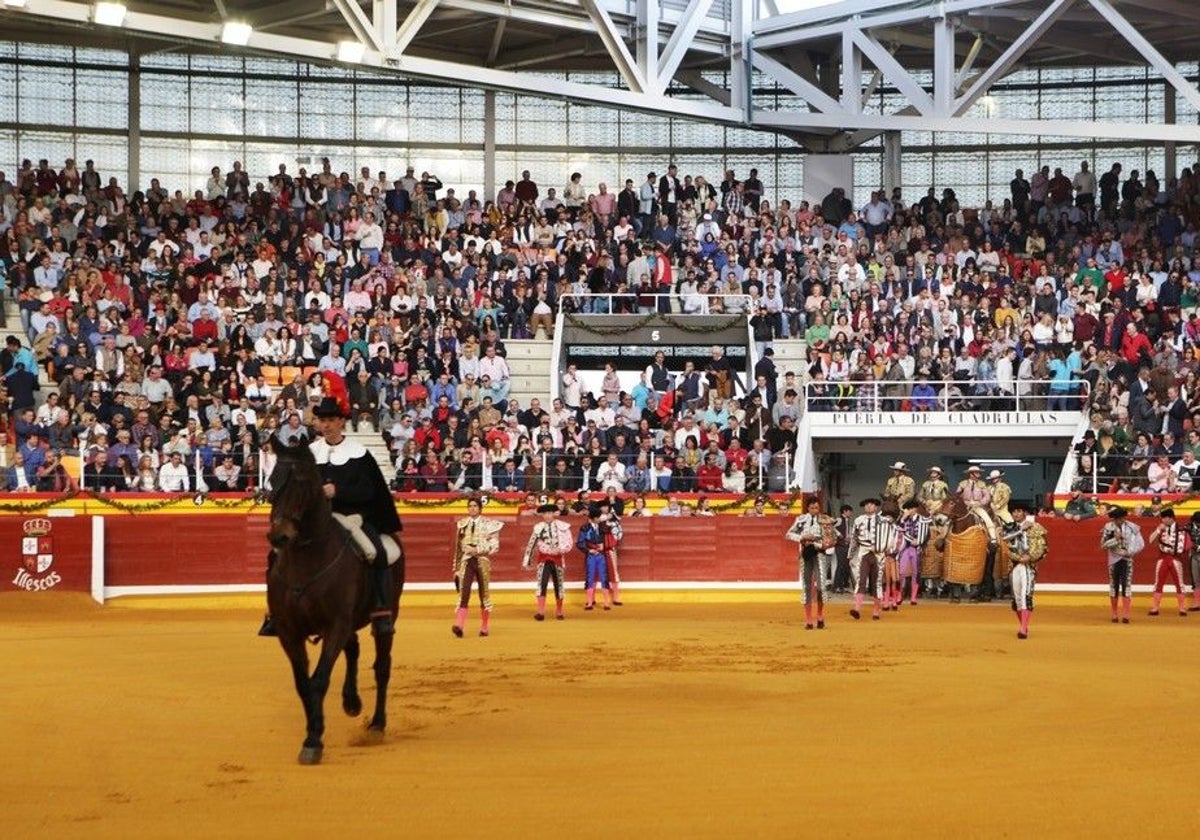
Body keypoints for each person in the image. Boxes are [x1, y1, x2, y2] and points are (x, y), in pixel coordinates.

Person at [453, 495, 504, 637]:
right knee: (464, 593)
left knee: (484, 594)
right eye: (470, 506)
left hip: (482, 560)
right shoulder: (462, 524)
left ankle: (484, 627)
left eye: (475, 506)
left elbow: (495, 546)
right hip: (466, 561)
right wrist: (456, 569)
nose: (472, 508)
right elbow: (457, 549)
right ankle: (459, 626)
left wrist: (477, 550)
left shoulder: (490, 524)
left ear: (480, 508)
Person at [521, 503, 574, 621]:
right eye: (545, 513)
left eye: (549, 513)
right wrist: (527, 561)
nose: (547, 516)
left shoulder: (563, 526)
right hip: (544, 559)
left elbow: (569, 542)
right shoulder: (538, 527)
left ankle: (559, 611)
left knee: (559, 585)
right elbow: (532, 544)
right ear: (542, 515)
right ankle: (541, 612)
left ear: (554, 514)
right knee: (542, 583)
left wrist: (560, 549)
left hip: (558, 558)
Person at [1003, 502, 1048, 639]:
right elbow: (1006, 545)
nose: (1016, 514)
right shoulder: (1009, 528)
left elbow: (1043, 548)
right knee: (1017, 598)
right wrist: (1018, 557)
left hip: (1029, 566)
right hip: (1015, 565)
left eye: (1019, 511)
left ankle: (1023, 629)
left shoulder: (1036, 528)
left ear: (1025, 513)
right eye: (1014, 511)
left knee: (1025, 595)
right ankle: (1024, 625)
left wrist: (1030, 557)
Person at [785, 497, 830, 630]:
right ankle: (809, 620)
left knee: (821, 587)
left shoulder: (825, 520)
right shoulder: (801, 519)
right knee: (807, 587)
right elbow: (788, 534)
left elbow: (832, 537)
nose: (814, 510)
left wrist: (822, 543)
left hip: (819, 554)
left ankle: (820, 616)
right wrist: (802, 537)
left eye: (816, 508)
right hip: (805, 555)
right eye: (812, 508)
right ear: (808, 508)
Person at [1100, 507, 1143, 624]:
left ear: (1124, 517)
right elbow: (1103, 545)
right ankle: (1114, 614)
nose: (1119, 521)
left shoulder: (1132, 527)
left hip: (1127, 559)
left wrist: (1130, 552)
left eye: (1121, 518)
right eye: (1116, 519)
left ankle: (1126, 614)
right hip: (1113, 560)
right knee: (1114, 587)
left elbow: (1140, 544)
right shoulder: (1108, 527)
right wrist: (1115, 539)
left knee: (1126, 586)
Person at [850, 498, 890, 621]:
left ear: (876, 507)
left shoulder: (884, 521)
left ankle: (876, 611)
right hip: (863, 552)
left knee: (876, 582)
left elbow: (888, 538)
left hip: (878, 554)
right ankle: (856, 609)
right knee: (860, 580)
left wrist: (881, 547)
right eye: (866, 504)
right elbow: (854, 539)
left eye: (871, 505)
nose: (868, 506)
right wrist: (850, 555)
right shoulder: (858, 520)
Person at [1147, 509, 1188, 618]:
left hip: (1175, 559)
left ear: (1171, 518)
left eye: (1164, 518)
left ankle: (1182, 608)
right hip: (1163, 558)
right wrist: (1158, 530)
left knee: (1179, 583)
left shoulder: (1182, 529)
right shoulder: (1161, 528)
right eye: (1162, 518)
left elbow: (1185, 546)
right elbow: (1150, 540)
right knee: (1158, 583)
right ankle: (1155, 608)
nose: (1163, 520)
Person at [577, 505, 613, 610]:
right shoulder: (585, 528)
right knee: (590, 577)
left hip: (601, 555)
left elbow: (609, 540)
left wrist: (603, 547)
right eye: (597, 517)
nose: (599, 519)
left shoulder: (603, 527)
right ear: (592, 519)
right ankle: (589, 602)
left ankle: (606, 603)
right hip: (591, 556)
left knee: (604, 577)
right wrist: (589, 550)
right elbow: (580, 543)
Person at [897, 499, 930, 606]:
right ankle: (900, 595)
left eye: (911, 508)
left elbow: (927, 534)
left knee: (916, 572)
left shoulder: (923, 520)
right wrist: (902, 518)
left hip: (916, 549)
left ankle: (913, 597)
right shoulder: (904, 520)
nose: (910, 511)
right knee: (901, 572)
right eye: (908, 509)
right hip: (906, 548)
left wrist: (920, 541)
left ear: (915, 509)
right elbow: (898, 530)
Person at [597, 497, 625, 606]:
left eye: (606, 506)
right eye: (602, 506)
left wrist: (613, 541)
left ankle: (615, 598)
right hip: (598, 550)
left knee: (613, 573)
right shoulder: (596, 519)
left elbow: (619, 533)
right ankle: (594, 599)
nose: (604, 508)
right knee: (596, 573)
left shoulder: (614, 519)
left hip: (609, 549)